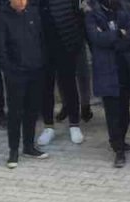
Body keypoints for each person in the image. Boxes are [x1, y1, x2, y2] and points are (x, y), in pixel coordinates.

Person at [85, 0, 130, 167]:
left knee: (125, 110)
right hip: (106, 69)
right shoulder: (92, 12)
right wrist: (119, 33)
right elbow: (96, 38)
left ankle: (122, 140)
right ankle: (118, 149)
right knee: (112, 112)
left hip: (124, 67)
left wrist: (112, 36)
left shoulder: (126, 8)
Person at [0, 0, 49, 166]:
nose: (23, 2)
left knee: (32, 111)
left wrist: (41, 62)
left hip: (36, 70)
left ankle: (29, 146)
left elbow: (41, 39)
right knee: (15, 113)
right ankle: (13, 151)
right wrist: (10, 70)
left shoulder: (33, 13)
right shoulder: (1, 18)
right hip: (16, 74)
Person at [38, 0, 86, 146]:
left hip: (66, 42)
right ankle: (48, 127)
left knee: (69, 85)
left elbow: (78, 16)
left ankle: (74, 124)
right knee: (46, 87)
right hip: (43, 45)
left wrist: (76, 40)